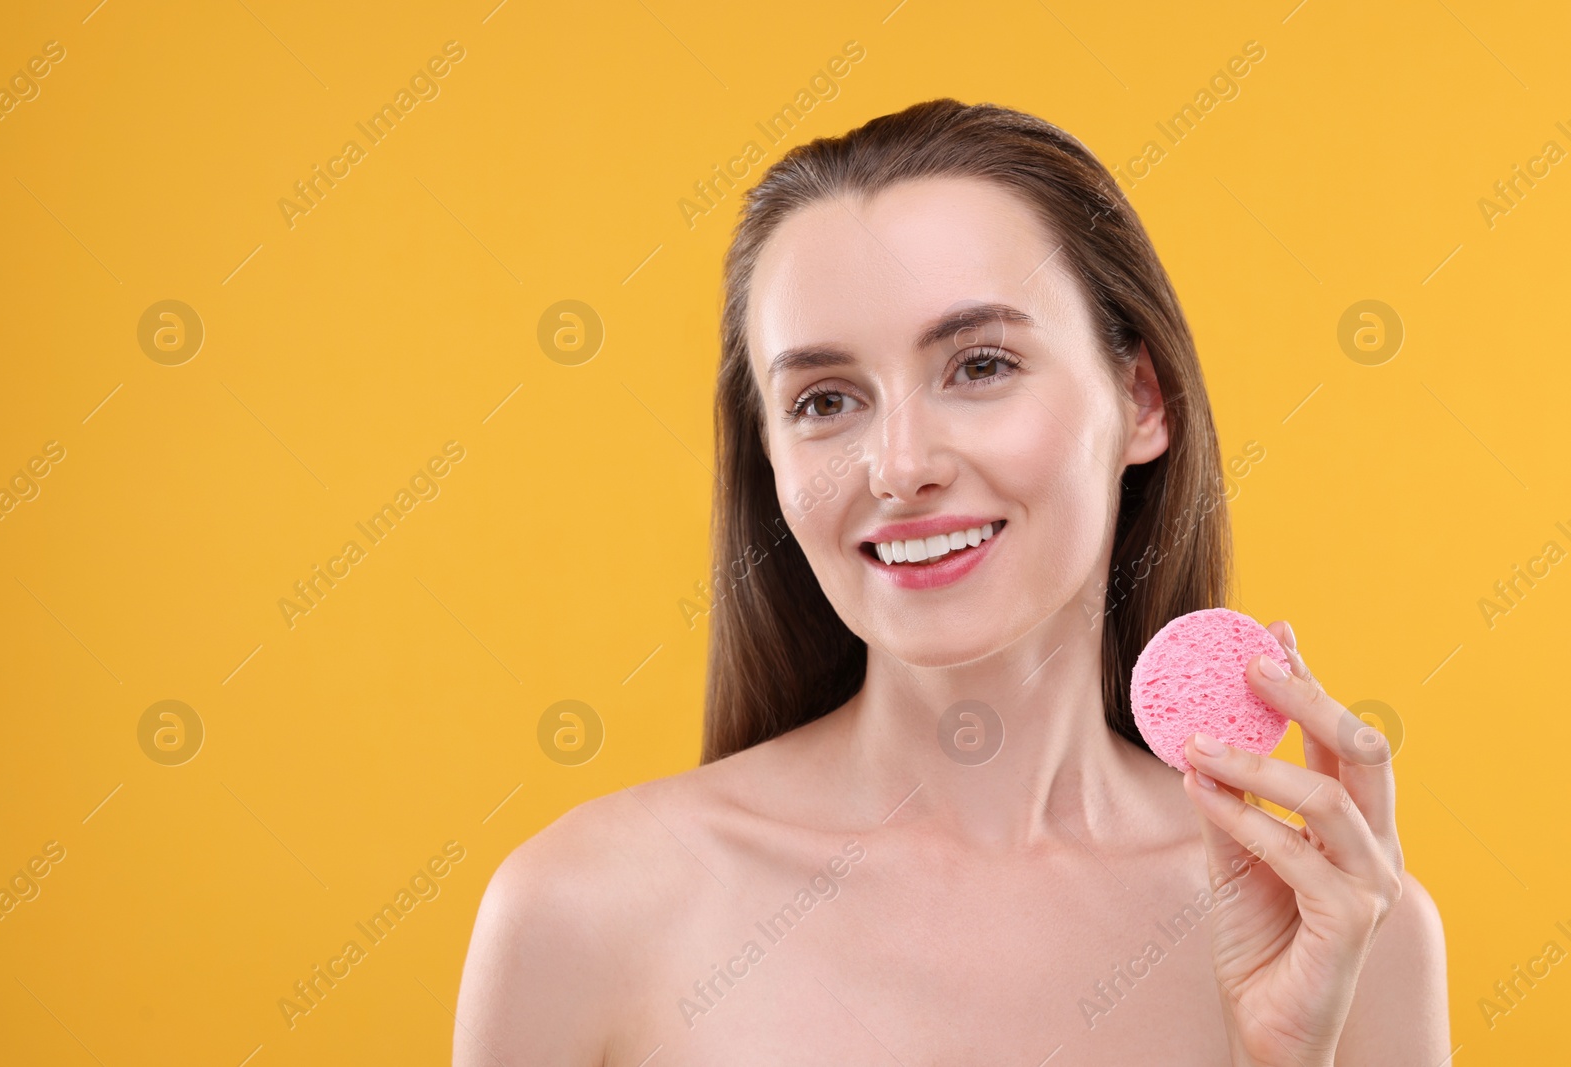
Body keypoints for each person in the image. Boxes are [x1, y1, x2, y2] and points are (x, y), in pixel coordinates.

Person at [453, 98, 1448, 1065]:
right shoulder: (581, 910)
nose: (897, 464)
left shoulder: (1340, 919)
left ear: (1140, 398)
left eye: (979, 364)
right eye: (825, 399)